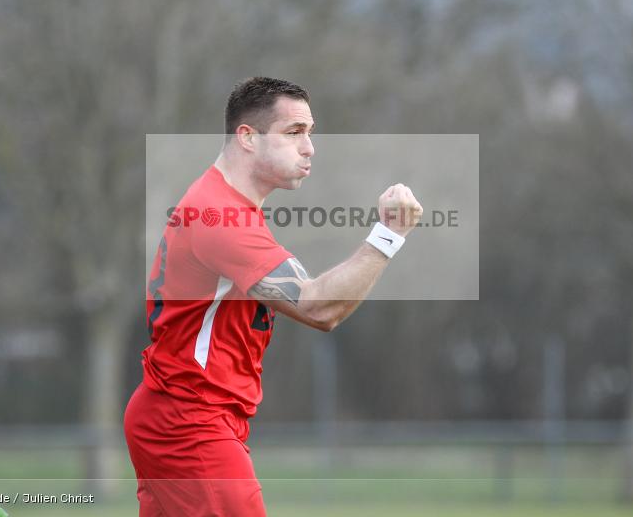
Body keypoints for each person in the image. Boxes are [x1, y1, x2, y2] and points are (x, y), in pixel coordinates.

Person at [124, 76, 423, 516]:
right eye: (294, 132)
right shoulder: (221, 218)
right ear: (247, 137)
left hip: (184, 415)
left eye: (310, 133)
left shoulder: (230, 207)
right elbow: (319, 307)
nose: (309, 148)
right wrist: (387, 236)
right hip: (189, 422)